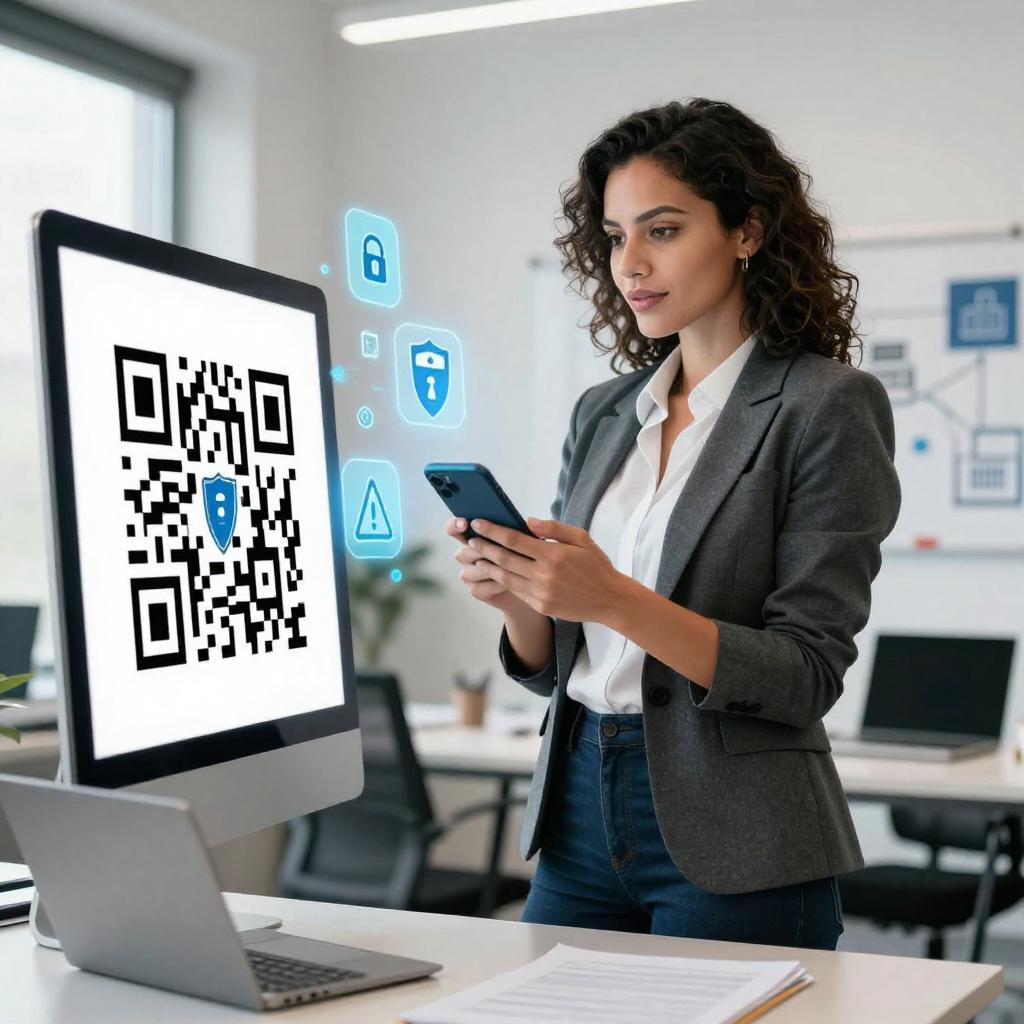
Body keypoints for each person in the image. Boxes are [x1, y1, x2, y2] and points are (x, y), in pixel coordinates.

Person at [444, 98, 900, 949]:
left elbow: (805, 674)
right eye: (615, 237)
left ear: (747, 232)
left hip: (739, 831)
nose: (631, 264)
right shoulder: (606, 412)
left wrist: (614, 599)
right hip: (577, 808)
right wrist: (520, 595)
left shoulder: (825, 407)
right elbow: (560, 667)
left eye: (662, 229)